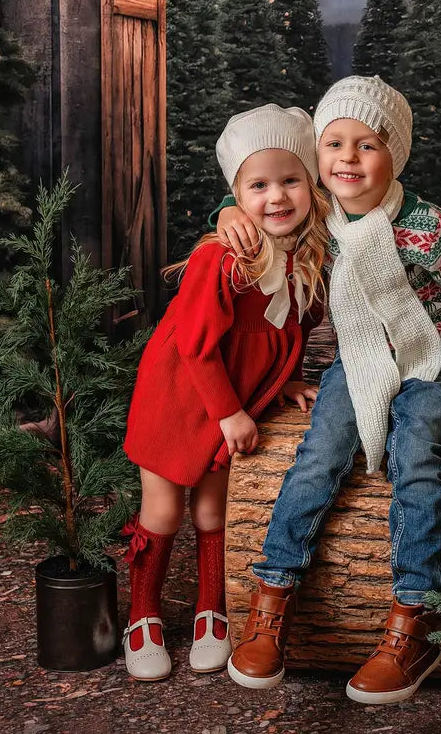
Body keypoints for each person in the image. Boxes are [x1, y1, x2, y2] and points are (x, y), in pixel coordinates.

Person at [216, 76, 441, 704]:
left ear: (394, 155)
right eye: (335, 144)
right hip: (358, 359)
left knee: (418, 455)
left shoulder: (428, 226)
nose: (349, 158)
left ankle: (411, 618)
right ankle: (273, 598)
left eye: (367, 144)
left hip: (430, 360)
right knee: (319, 454)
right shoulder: (318, 213)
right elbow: (266, 206)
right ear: (318, 157)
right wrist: (229, 210)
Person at [121, 104, 328, 682]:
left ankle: (213, 610)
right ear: (236, 193)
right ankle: (143, 614)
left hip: (235, 402)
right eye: (257, 185)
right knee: (163, 510)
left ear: (311, 184)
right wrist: (231, 412)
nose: (277, 197)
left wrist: (283, 378)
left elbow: (295, 324)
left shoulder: (305, 257)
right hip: (180, 396)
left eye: (290, 181)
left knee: (213, 508)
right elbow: (194, 347)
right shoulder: (223, 257)